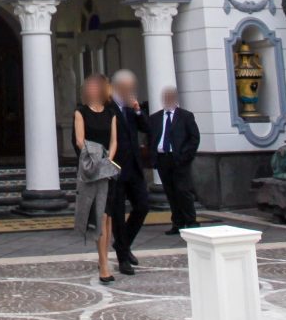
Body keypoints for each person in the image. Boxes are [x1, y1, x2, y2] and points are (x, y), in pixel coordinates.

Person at [72, 74, 121, 283]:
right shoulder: (80, 112)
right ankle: (103, 265)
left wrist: (108, 160)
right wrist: (98, 160)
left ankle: (105, 257)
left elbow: (114, 140)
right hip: (92, 170)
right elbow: (80, 141)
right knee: (100, 217)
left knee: (108, 217)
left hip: (108, 171)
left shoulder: (111, 113)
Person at [107, 69, 151, 274]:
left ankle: (122, 245)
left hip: (133, 167)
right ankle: (123, 258)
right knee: (117, 213)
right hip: (114, 168)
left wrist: (138, 110)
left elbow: (147, 128)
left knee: (142, 206)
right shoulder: (107, 107)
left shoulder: (131, 107)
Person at [147, 85, 201, 233]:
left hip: (179, 159)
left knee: (183, 191)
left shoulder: (185, 116)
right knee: (170, 192)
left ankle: (191, 221)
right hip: (163, 159)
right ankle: (177, 223)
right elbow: (151, 137)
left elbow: (194, 138)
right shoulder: (155, 118)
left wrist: (185, 156)